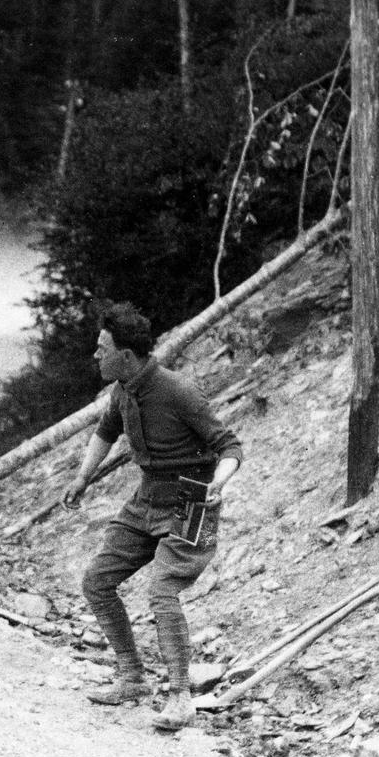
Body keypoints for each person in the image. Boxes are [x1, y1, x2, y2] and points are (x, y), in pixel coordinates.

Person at [62, 302, 243, 731]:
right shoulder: (122, 391)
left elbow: (231, 446)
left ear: (126, 354)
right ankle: (132, 677)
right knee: (97, 581)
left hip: (190, 501)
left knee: (162, 590)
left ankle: (181, 696)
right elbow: (106, 433)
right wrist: (82, 478)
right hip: (147, 499)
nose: (96, 356)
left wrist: (218, 483)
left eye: (102, 348)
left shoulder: (178, 390)